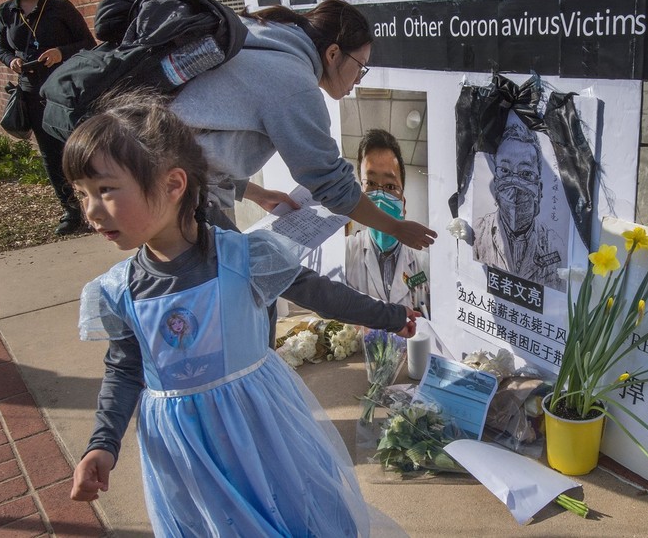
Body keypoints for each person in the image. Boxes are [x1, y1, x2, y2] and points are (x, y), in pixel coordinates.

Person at [66, 91, 415, 536]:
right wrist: (102, 443)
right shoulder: (118, 290)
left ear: (173, 185)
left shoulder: (244, 258)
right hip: (185, 456)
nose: (91, 212)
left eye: (106, 190)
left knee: (296, 517)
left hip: (264, 433)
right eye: (82, 194)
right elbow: (125, 367)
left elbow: (320, 294)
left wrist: (388, 314)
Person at [170, 0, 437, 251]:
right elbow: (333, 185)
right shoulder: (295, 84)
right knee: (257, 278)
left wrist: (256, 193)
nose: (358, 79)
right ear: (333, 54)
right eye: (360, 67)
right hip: (172, 196)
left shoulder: (268, 34)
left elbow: (209, 144)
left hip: (158, 173)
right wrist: (396, 227)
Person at [0, 0, 95, 235]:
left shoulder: (61, 8)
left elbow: (89, 44)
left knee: (79, 146)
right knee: (50, 154)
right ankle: (70, 210)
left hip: (66, 92)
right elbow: (0, 47)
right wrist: (10, 60)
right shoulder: (6, 12)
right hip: (30, 92)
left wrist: (62, 53)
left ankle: (95, 203)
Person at [346, 129, 431, 315]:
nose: (380, 196)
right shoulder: (345, 253)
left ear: (403, 204)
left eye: (391, 186)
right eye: (370, 183)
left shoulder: (423, 263)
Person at [473, 123, 565, 291]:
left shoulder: (554, 244)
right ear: (496, 182)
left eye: (525, 174)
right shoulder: (478, 233)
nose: (515, 184)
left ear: (539, 188)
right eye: (505, 171)